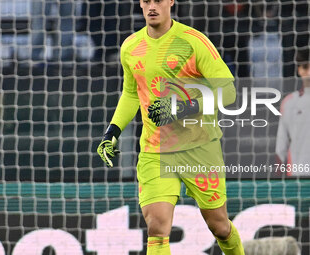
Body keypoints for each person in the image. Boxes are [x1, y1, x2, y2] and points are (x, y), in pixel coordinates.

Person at [97, 0, 244, 254]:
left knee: (219, 227)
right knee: (157, 228)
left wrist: (182, 108)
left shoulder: (192, 41)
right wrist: (113, 131)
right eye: (146, 1)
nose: (152, 6)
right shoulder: (131, 46)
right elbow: (131, 94)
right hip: (156, 150)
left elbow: (228, 91)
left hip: (199, 147)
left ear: (170, 2)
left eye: (158, 0)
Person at [276, 47, 310, 176]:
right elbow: (281, 145)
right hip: (297, 176)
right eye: (306, 67)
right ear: (299, 70)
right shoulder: (289, 102)